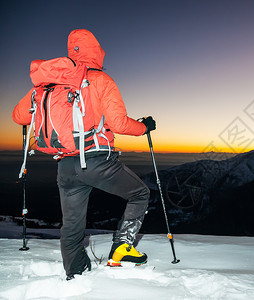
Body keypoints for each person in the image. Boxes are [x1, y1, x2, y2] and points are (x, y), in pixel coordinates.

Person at [12, 29, 156, 280]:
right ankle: (122, 248)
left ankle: (75, 274)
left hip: (65, 167)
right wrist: (145, 127)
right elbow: (119, 124)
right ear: (96, 51)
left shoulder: (48, 83)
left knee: (72, 225)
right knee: (139, 193)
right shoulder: (100, 79)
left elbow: (19, 116)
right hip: (97, 161)